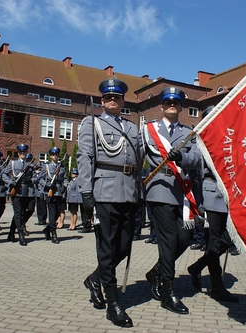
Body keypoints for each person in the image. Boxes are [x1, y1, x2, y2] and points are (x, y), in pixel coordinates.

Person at [77, 78, 141, 327]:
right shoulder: (91, 124)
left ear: (123, 100)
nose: (112, 100)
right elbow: (85, 157)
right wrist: (86, 193)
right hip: (103, 192)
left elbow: (138, 161)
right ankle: (113, 304)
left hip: (129, 192)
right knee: (106, 247)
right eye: (107, 97)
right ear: (102, 101)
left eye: (117, 97)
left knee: (123, 247)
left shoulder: (133, 128)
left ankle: (95, 279)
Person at [142, 87, 201, 315]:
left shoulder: (189, 132)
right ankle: (168, 290)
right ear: (162, 106)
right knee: (168, 241)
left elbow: (197, 158)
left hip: (182, 192)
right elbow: (137, 156)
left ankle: (156, 271)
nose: (172, 106)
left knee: (184, 238)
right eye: (168, 102)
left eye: (176, 103)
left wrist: (183, 157)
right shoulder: (148, 130)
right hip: (159, 190)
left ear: (181, 107)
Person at [186, 106, 238, 303]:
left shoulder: (229, 140)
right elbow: (196, 168)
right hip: (211, 195)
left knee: (228, 240)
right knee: (214, 242)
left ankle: (197, 267)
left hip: (228, 196)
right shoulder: (200, 141)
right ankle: (217, 287)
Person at [1, 144, 37, 246]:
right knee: (18, 213)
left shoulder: (30, 165)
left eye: (24, 152)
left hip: (26, 192)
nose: (23, 154)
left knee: (24, 212)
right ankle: (21, 234)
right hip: (16, 191)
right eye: (21, 152)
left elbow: (35, 177)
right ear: (18, 153)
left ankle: (11, 232)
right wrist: (10, 182)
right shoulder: (13, 163)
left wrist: (30, 180)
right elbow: (4, 174)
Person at [38, 146, 67, 244]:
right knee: (52, 212)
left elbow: (65, 178)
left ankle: (47, 229)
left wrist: (65, 187)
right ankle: (53, 233)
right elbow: (40, 179)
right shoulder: (46, 166)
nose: (55, 156)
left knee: (58, 212)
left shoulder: (61, 167)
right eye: (53, 155)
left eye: (57, 155)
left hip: (59, 192)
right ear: (50, 156)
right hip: (50, 192)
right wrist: (47, 184)